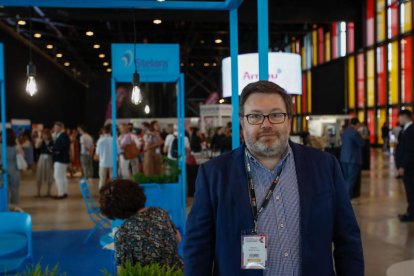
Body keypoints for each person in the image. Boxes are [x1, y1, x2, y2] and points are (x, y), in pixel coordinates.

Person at [184, 81, 364, 276]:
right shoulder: (214, 175)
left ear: (289, 120)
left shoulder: (324, 166)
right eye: (255, 116)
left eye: (276, 115)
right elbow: (198, 248)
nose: (266, 124)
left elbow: (348, 240)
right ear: (242, 121)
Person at [99, 179, 183, 270]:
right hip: (179, 271)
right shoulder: (159, 212)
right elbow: (178, 239)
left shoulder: (123, 233)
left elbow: (123, 271)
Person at [340, 118, 365, 199]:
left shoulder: (345, 131)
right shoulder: (355, 133)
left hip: (344, 158)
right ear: (357, 124)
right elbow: (361, 143)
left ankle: (344, 196)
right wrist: (361, 135)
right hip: (353, 159)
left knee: (346, 178)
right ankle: (348, 198)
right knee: (351, 179)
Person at [396, 109, 414, 222]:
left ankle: (411, 214)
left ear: (404, 116)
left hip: (410, 167)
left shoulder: (410, 130)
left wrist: (402, 166)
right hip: (408, 166)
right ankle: (410, 211)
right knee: (409, 190)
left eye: (399, 117)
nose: (398, 120)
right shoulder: (406, 129)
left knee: (411, 190)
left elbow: (409, 150)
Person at [52, 121, 70, 199]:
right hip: (63, 159)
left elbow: (62, 147)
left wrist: (54, 150)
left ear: (60, 127)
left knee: (57, 176)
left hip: (60, 159)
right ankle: (64, 192)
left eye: (56, 127)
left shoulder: (63, 136)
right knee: (62, 176)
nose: (54, 128)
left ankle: (61, 194)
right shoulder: (63, 135)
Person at [35, 128, 54, 197]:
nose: (45, 136)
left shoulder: (52, 141)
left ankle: (49, 192)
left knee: (49, 175)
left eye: (46, 134)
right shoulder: (41, 140)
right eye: (43, 134)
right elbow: (36, 146)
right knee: (39, 175)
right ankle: (38, 192)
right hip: (42, 158)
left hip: (49, 158)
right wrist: (40, 138)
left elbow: (53, 150)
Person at [95, 124, 114, 189]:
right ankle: (113, 193)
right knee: (113, 180)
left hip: (103, 162)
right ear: (110, 131)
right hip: (112, 162)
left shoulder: (100, 140)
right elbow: (118, 151)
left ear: (103, 131)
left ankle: (102, 194)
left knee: (102, 179)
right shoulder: (113, 140)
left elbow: (97, 153)